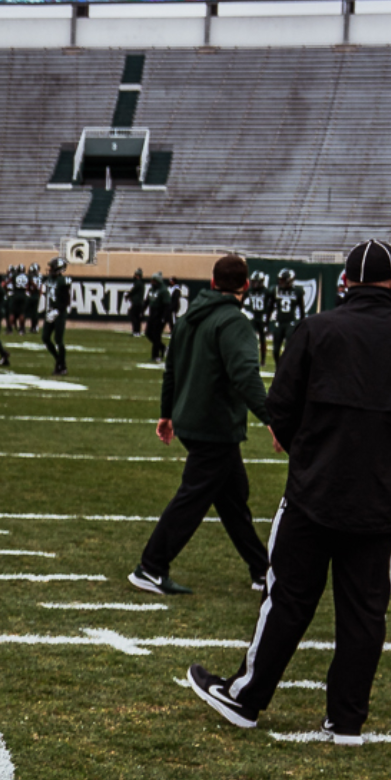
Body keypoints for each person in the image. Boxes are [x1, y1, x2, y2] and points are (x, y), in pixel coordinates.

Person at [185, 240, 391, 744]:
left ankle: (246, 698)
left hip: (315, 490)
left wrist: (311, 447)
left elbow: (281, 407)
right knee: (365, 611)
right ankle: (346, 720)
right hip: (383, 497)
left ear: (345, 282)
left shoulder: (318, 329)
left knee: (289, 599)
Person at [128, 255, 271, 596]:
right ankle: (151, 567)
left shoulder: (190, 316)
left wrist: (166, 414)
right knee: (193, 498)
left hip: (193, 422)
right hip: (214, 426)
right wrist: (272, 418)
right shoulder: (233, 321)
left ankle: (263, 570)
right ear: (246, 286)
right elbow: (245, 375)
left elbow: (171, 371)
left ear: (211, 283)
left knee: (233, 499)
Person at [40, 256, 71, 376]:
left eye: (52, 267)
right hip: (49, 312)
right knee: (45, 338)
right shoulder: (49, 280)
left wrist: (57, 311)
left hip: (59, 314)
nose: (50, 270)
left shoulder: (63, 282)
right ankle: (59, 360)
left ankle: (61, 366)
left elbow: (66, 300)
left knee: (58, 340)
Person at [271, 268, 306, 358]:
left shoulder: (297, 291)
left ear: (289, 280)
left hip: (290, 322)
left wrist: (302, 323)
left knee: (288, 348)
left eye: (282, 280)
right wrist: (266, 321)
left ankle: (285, 368)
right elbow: (270, 306)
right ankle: (278, 368)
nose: (280, 282)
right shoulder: (275, 290)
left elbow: (301, 309)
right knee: (275, 350)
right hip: (279, 322)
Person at [243, 271, 274, 365]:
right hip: (253, 317)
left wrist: (267, 317)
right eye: (253, 282)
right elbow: (242, 300)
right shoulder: (250, 290)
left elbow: (272, 304)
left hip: (262, 318)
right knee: (249, 338)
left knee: (262, 339)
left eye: (256, 282)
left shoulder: (266, 291)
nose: (254, 284)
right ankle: (249, 356)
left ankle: (263, 359)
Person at [144, 272, 172, 362]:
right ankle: (162, 347)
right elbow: (147, 301)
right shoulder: (151, 289)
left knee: (156, 335)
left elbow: (167, 305)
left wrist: (164, 317)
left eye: (154, 280)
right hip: (152, 313)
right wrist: (142, 310)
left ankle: (155, 356)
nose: (152, 282)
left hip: (160, 314)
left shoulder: (163, 291)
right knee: (148, 333)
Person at [126, 267, 146, 336]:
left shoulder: (138, 283)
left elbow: (133, 291)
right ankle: (137, 331)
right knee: (137, 317)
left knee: (133, 316)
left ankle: (135, 331)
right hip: (139, 303)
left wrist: (128, 295)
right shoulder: (141, 283)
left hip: (136, 303)